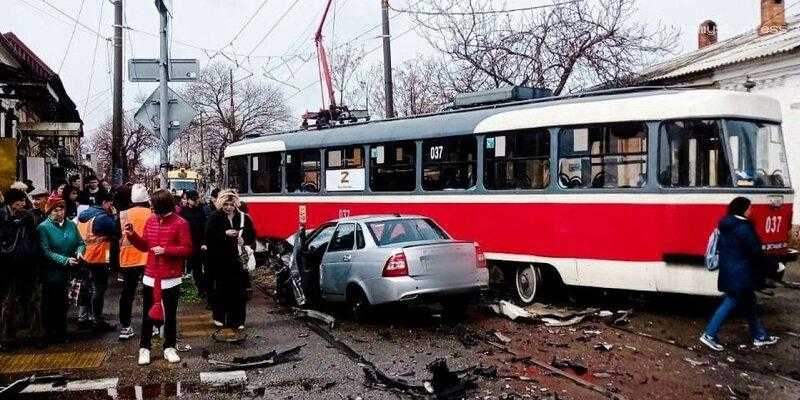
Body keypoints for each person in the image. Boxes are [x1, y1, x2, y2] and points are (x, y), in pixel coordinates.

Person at [700, 197, 780, 351]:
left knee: (749, 301)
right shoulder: (743, 228)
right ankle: (709, 334)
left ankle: (759, 336)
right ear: (743, 209)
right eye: (750, 208)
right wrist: (774, 265)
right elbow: (756, 251)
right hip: (741, 274)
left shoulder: (726, 224)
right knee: (731, 301)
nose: (751, 211)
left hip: (731, 271)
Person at [124, 189, 192, 365]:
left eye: (153, 205)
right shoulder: (150, 221)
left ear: (161, 205)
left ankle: (169, 347)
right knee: (147, 314)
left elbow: (187, 248)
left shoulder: (180, 223)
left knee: (170, 314)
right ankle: (144, 348)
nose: (150, 207)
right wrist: (132, 236)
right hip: (151, 275)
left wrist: (166, 250)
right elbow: (145, 245)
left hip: (171, 277)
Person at [205, 190, 255, 330]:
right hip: (219, 259)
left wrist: (243, 240)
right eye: (226, 204)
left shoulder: (244, 218)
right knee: (221, 289)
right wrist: (224, 234)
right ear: (221, 204)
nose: (229, 207)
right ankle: (219, 316)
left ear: (236, 204)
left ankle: (238, 320)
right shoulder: (214, 217)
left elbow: (252, 236)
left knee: (239, 291)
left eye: (231, 204)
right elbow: (208, 237)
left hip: (238, 260)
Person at [37, 198, 85, 343]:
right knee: (49, 303)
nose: (59, 213)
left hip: (69, 272)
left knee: (64, 303)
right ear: (49, 212)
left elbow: (80, 242)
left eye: (61, 209)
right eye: (55, 210)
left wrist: (79, 252)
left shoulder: (71, 225)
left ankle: (62, 332)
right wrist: (64, 260)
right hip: (51, 273)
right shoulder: (43, 227)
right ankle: (47, 333)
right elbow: (46, 251)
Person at [0, 189, 39, 350]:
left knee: (31, 301)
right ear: (10, 202)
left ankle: (33, 334)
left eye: (24, 200)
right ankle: (8, 338)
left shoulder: (26, 217)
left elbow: (33, 237)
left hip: (26, 265)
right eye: (19, 201)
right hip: (7, 266)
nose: (23, 204)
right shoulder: (2, 217)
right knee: (9, 303)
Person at [76, 191, 117, 332]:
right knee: (99, 289)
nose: (111, 205)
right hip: (99, 257)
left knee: (85, 287)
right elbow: (116, 229)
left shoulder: (84, 214)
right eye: (109, 203)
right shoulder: (102, 218)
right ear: (104, 202)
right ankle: (97, 320)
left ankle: (83, 317)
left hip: (84, 256)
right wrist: (114, 215)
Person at [117, 184, 152, 340]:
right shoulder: (152, 214)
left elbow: (115, 236)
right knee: (149, 293)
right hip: (148, 258)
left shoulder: (123, 214)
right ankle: (153, 326)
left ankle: (125, 327)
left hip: (128, 258)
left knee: (127, 293)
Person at [179, 190, 207, 295]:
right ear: (188, 200)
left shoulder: (201, 210)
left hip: (201, 243)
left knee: (203, 268)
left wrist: (204, 242)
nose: (195, 201)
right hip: (190, 244)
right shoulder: (183, 211)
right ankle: (201, 289)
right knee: (196, 268)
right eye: (193, 199)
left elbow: (205, 226)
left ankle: (204, 288)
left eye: (196, 199)